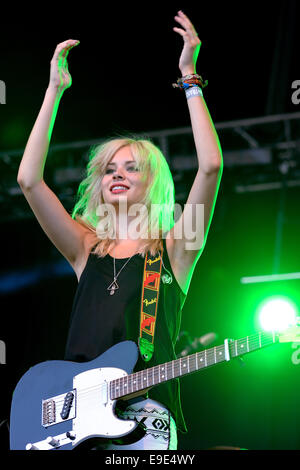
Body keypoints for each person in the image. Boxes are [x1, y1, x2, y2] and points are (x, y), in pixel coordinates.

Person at [17, 11, 223, 450]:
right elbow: (29, 181)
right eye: (110, 168)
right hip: (73, 416)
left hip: (144, 413)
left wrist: (190, 77)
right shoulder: (84, 248)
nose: (119, 173)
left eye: (133, 167)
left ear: (154, 182)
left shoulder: (175, 248)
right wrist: (54, 91)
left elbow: (211, 166)